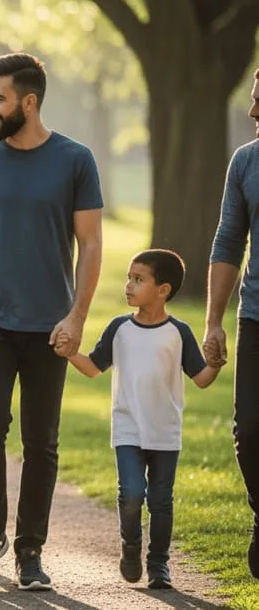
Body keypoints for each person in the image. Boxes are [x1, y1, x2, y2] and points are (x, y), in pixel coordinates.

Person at [0, 53, 103, 590]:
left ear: (28, 102)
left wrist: (77, 317)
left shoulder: (75, 160)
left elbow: (91, 243)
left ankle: (30, 549)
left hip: (50, 324)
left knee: (41, 440)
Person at [62, 249, 218, 590]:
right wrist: (70, 352)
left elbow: (202, 378)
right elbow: (92, 368)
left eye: (138, 279)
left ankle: (159, 565)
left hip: (165, 431)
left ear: (163, 289)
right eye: (128, 278)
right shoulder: (119, 328)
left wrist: (216, 362)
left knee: (161, 501)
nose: (128, 285)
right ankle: (130, 546)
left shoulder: (179, 332)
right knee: (131, 494)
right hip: (128, 428)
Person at [205, 67, 259, 580]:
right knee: (249, 430)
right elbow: (227, 242)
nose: (253, 110)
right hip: (256, 314)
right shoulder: (246, 161)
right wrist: (214, 322)